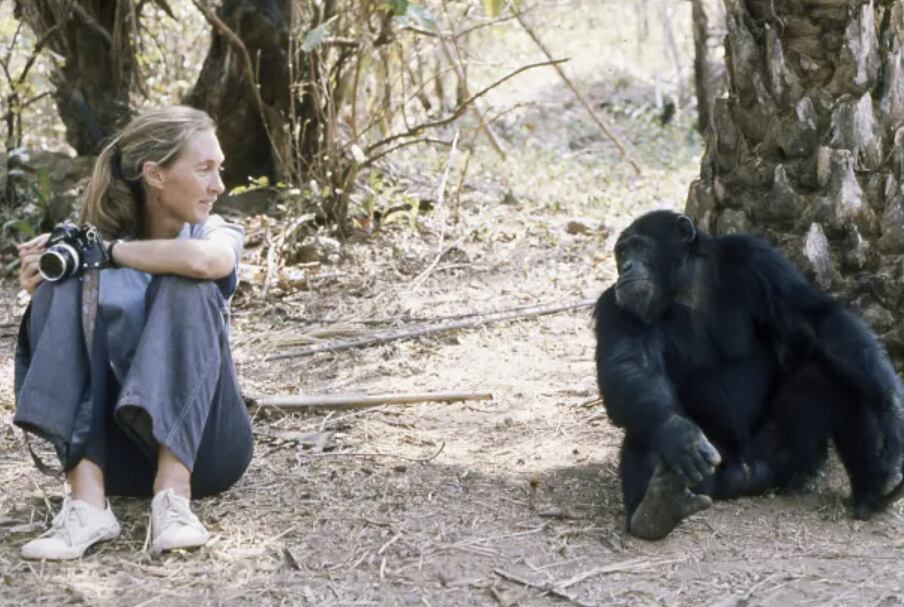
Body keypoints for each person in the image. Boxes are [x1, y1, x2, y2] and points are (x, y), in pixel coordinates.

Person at [13, 106, 253, 560]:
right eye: (204, 169)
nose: (218, 185)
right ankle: (86, 503)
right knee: (61, 285)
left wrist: (110, 253)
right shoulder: (88, 250)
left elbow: (207, 263)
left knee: (187, 282)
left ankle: (174, 499)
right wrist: (43, 288)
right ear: (154, 175)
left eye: (218, 169)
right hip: (117, 457)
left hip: (208, 452)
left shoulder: (214, 231)